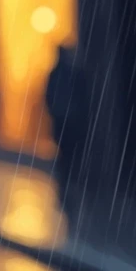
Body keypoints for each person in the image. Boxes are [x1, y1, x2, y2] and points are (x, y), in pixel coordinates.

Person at [44, 44, 89, 211]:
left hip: (64, 123)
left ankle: (68, 187)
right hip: (69, 123)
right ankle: (70, 187)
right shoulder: (71, 73)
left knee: (66, 157)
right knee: (71, 157)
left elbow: (49, 97)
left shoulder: (58, 74)